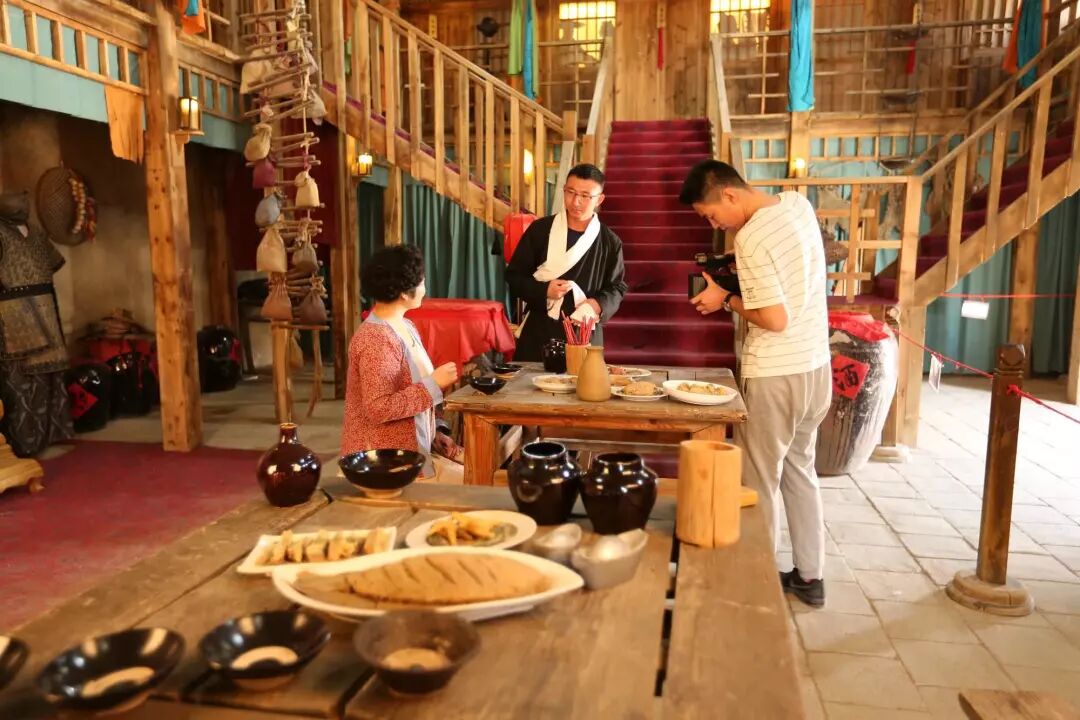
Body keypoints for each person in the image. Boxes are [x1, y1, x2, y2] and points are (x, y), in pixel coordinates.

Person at [679, 160, 831, 607]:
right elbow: (792, 277)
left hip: (777, 374)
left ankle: (756, 581)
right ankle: (811, 577)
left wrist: (725, 298)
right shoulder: (797, 204)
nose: (715, 226)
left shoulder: (751, 238)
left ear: (729, 194)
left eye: (711, 215)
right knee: (801, 471)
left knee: (759, 481)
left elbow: (775, 319)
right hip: (816, 366)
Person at [341, 245, 463, 482]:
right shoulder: (376, 338)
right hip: (384, 462)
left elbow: (412, 393)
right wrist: (433, 384)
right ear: (404, 293)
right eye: (422, 282)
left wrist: (435, 432)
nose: (425, 289)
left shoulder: (405, 325)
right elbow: (378, 408)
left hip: (412, 451)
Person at [506, 163, 628, 360]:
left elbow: (617, 287)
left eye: (585, 196)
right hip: (540, 328)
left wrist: (597, 305)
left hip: (583, 331)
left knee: (583, 378)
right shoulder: (540, 230)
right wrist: (544, 290)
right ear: (563, 190)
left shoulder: (609, 242)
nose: (576, 201)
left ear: (599, 199)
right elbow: (514, 276)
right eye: (570, 192)